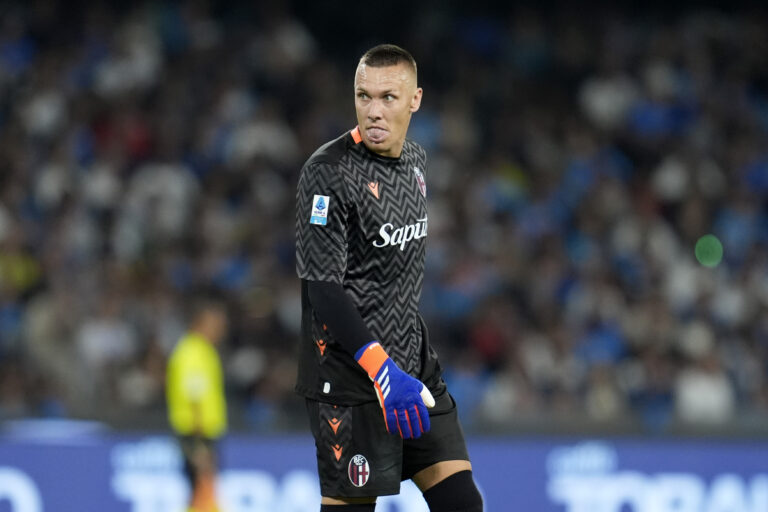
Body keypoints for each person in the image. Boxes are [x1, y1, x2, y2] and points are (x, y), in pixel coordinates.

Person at [295, 44, 483, 511]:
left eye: (388, 97)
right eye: (364, 96)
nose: (373, 111)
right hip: (351, 380)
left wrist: (403, 367)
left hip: (413, 371)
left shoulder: (416, 160)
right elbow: (322, 287)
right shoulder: (328, 172)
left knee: (462, 504)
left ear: (415, 100)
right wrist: (381, 370)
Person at [166, 299, 228, 512]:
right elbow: (194, 395)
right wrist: (199, 443)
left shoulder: (201, 350)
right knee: (202, 491)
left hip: (202, 432)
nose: (220, 331)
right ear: (201, 323)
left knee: (201, 492)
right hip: (197, 433)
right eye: (216, 325)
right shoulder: (192, 352)